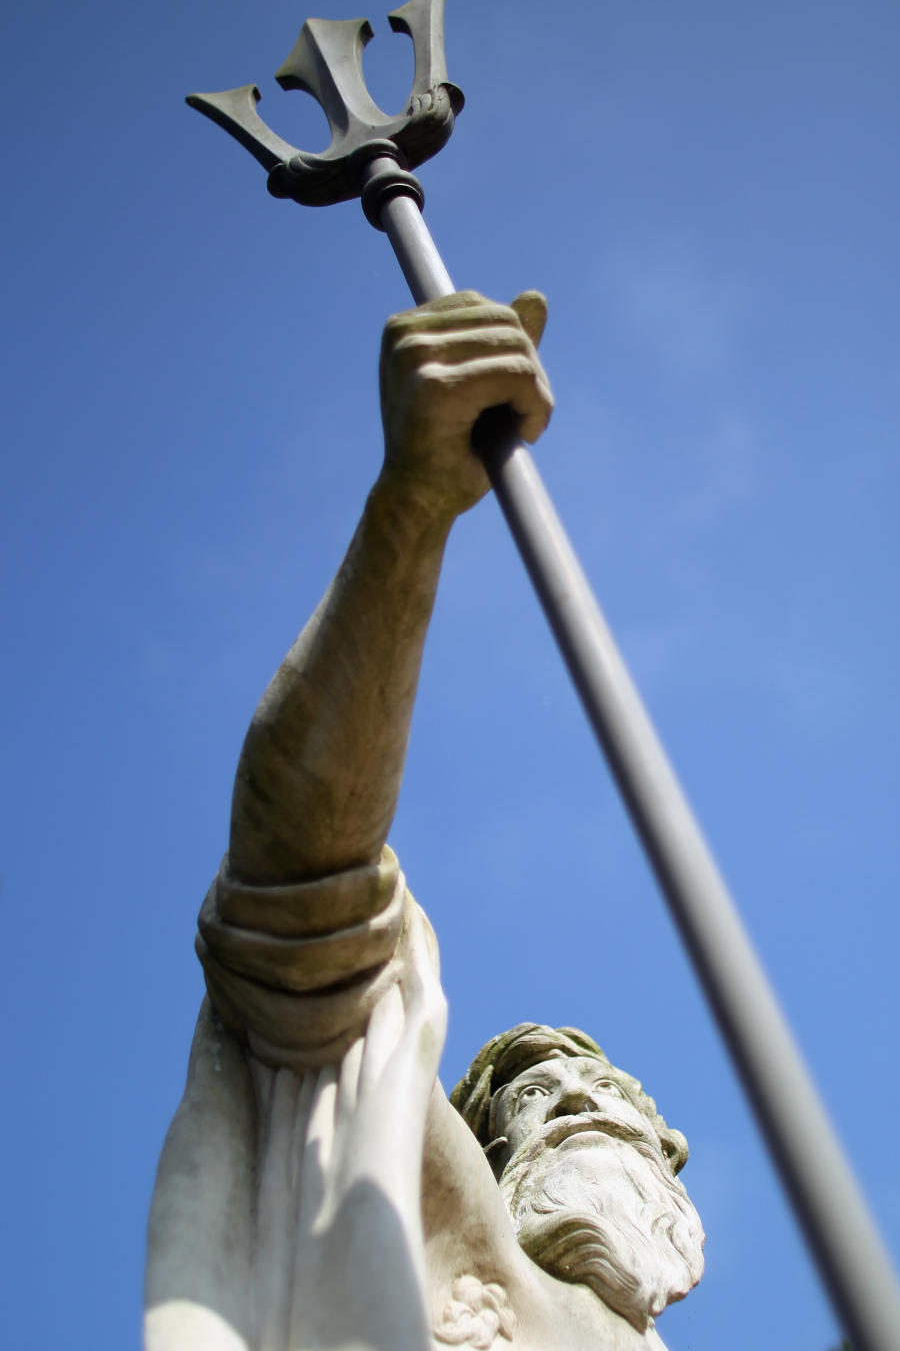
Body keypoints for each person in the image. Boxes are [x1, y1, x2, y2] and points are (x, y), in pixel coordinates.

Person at [145, 292, 704, 1351]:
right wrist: (411, 511)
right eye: (549, 1100)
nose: (594, 1117)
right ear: (503, 1153)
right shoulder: (449, 1226)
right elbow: (296, 902)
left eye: (617, 1110)